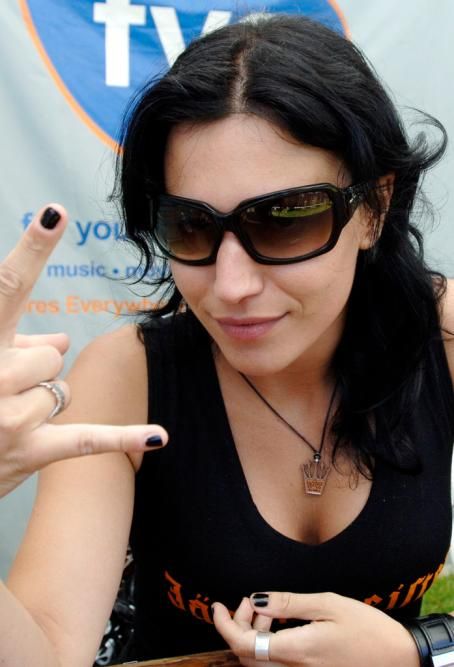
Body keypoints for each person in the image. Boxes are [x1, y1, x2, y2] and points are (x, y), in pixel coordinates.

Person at [1, 13, 453, 667]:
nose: (231, 285)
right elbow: (46, 649)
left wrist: (417, 651)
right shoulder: (127, 379)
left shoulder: (442, 335)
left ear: (374, 210)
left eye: (286, 219)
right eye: (190, 226)